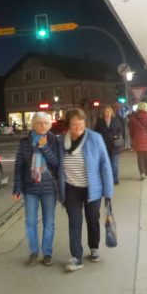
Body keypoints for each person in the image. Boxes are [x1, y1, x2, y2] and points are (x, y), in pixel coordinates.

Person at [59, 108, 114, 272]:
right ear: (68, 125)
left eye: (81, 124)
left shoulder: (94, 138)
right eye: (74, 124)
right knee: (74, 223)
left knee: (92, 218)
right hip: (71, 189)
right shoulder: (61, 141)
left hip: (92, 188)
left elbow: (105, 164)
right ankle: (76, 256)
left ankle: (94, 247)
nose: (78, 128)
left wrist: (108, 191)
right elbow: (56, 163)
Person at [13, 112, 61, 267]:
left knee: (49, 222)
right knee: (30, 221)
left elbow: (56, 165)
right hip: (30, 187)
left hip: (48, 188)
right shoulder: (24, 142)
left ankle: (47, 253)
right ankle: (34, 252)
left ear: (49, 125)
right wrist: (17, 188)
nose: (43, 126)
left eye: (46, 123)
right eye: (39, 123)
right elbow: (19, 166)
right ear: (33, 125)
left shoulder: (54, 141)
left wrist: (44, 147)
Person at [129, 102, 147, 180]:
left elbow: (131, 131)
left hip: (137, 139)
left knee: (140, 157)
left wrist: (133, 138)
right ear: (145, 108)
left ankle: (142, 173)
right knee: (146, 156)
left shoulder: (133, 118)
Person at [94, 105, 123, 185]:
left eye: (109, 112)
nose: (107, 113)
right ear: (103, 113)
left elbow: (120, 130)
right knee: (107, 163)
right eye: (106, 112)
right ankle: (107, 179)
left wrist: (117, 135)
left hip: (115, 145)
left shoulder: (116, 120)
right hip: (104, 146)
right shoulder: (100, 121)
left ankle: (115, 179)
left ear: (111, 113)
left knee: (114, 163)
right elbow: (96, 132)